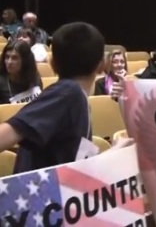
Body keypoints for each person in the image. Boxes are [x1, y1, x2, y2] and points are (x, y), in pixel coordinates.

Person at [0, 22, 105, 174]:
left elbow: (79, 161)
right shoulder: (67, 94)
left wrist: (113, 154)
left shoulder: (76, 97)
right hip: (39, 196)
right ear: (101, 65)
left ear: (52, 63)